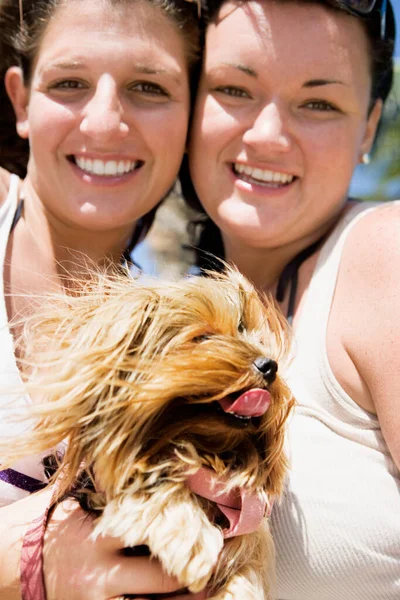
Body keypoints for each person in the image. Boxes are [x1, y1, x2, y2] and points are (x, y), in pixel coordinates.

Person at [184, 0, 400, 597]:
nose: (269, 135)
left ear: (369, 128)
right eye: (234, 89)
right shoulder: (183, 319)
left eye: (318, 103)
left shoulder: (386, 258)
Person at [0, 0, 206, 598]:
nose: (104, 122)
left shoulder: (175, 346)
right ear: (20, 101)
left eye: (148, 87)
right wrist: (37, 550)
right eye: (70, 83)